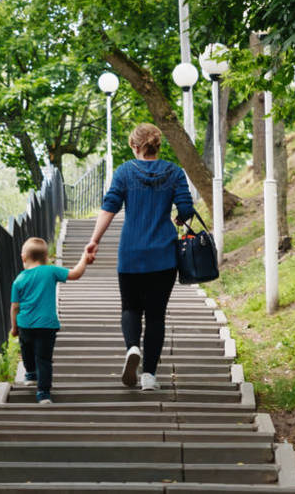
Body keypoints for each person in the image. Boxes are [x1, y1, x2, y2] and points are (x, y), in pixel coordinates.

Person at [83, 123, 193, 391]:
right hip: (164, 255)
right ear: (158, 146)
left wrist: (94, 240)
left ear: (134, 146)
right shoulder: (174, 172)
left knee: (130, 308)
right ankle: (149, 377)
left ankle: (132, 346)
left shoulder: (124, 172)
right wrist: (180, 217)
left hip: (131, 253)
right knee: (156, 316)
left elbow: (110, 206)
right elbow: (186, 207)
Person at [10, 237, 91, 404]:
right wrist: (84, 257)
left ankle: (30, 374)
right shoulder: (51, 271)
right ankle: (43, 393)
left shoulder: (18, 280)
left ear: (23, 257)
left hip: (25, 324)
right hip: (47, 326)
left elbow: (15, 307)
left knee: (26, 350)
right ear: (46, 257)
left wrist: (14, 327)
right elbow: (75, 274)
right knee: (44, 359)